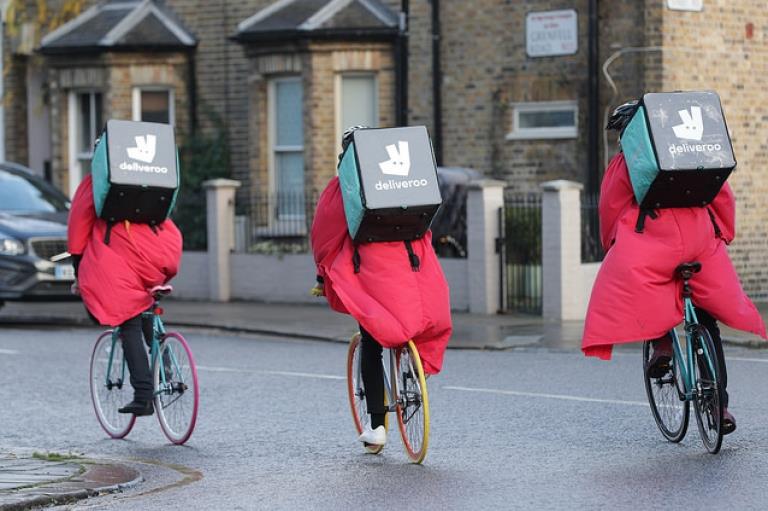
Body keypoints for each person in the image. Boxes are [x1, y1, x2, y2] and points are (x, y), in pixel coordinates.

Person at [582, 101, 767, 434]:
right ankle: (719, 406)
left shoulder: (627, 161)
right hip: (700, 241)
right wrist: (723, 232)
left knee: (645, 292)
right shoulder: (689, 154)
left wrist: (612, 244)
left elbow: (611, 206)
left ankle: (663, 344)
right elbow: (721, 194)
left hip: (651, 241)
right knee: (706, 316)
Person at [310, 126, 452, 449]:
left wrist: (322, 276)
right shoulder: (400, 182)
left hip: (373, 273)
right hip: (411, 264)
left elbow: (324, 236)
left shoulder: (343, 188)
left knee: (371, 342)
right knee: (415, 313)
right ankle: (415, 372)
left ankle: (377, 425)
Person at [68, 173, 183, 416]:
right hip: (161, 248)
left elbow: (79, 226)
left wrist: (78, 269)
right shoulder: (152, 172)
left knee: (128, 321)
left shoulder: (97, 180)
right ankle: (166, 374)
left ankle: (143, 396)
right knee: (146, 310)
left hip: (121, 254)